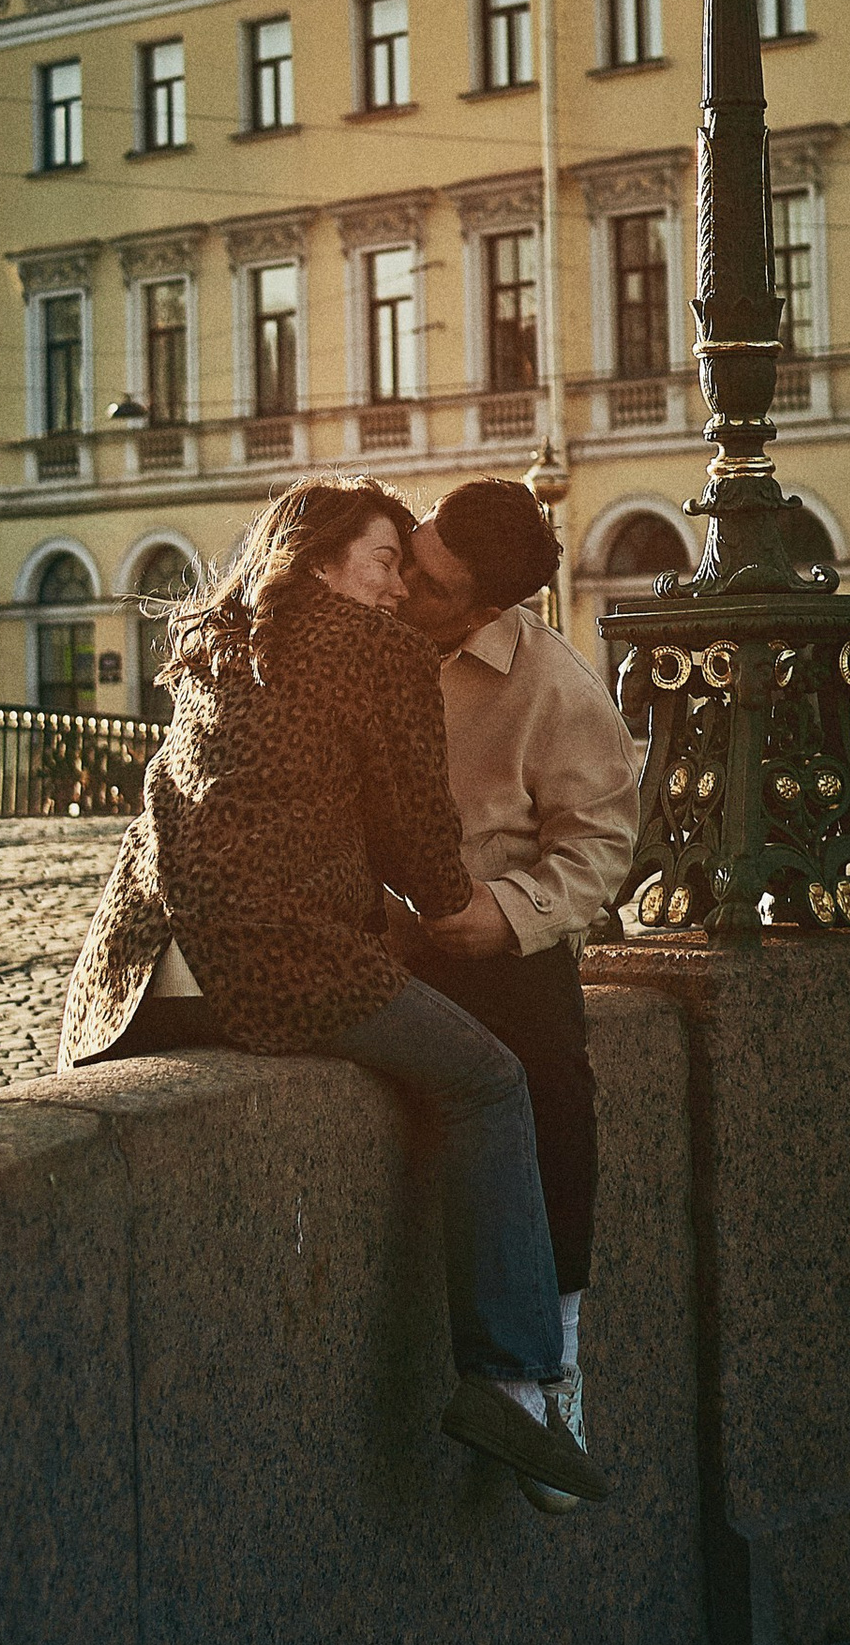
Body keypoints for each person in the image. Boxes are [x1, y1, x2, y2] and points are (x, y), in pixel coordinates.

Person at [62, 478, 606, 1507]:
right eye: (385, 560)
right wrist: (457, 913)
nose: (398, 585)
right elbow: (423, 849)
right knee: (492, 1080)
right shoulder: (379, 651)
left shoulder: (220, 639)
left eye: (412, 567)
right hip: (269, 969)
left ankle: (532, 1373)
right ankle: (517, 1378)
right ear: (318, 561)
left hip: (149, 976)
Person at [392, 478, 642, 1512]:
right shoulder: (371, 612)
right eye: (410, 552)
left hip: (491, 938)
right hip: (372, 928)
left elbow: (601, 849)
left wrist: (502, 913)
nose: (403, 583)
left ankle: (555, 1365)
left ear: (486, 608)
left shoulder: (555, 689)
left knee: (551, 1083)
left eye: (431, 583)